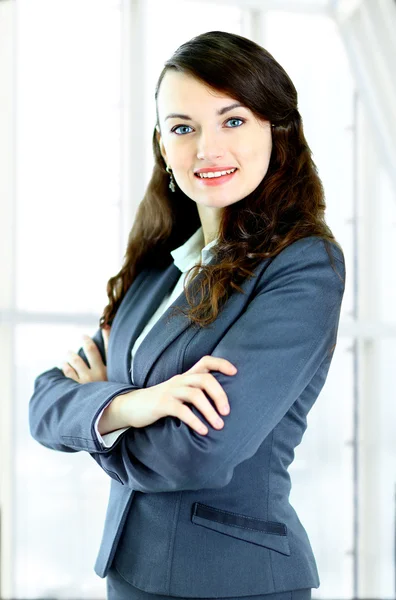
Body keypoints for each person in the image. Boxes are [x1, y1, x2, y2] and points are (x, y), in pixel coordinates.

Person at [29, 30, 346, 600]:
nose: (206, 148)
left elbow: (198, 452)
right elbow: (44, 401)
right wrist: (134, 404)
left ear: (277, 130)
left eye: (233, 120)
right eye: (183, 128)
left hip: (235, 581)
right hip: (130, 573)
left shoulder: (303, 265)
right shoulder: (158, 267)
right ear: (162, 145)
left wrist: (98, 418)